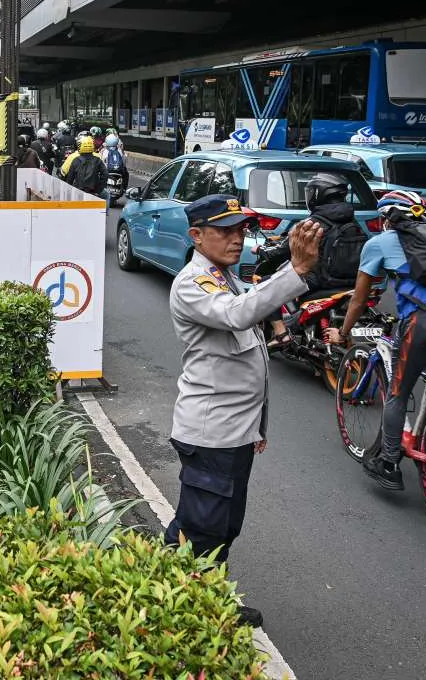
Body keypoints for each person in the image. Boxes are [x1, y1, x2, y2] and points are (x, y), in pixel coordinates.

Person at [166, 194, 324, 628]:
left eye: (240, 229)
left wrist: (256, 426)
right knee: (204, 527)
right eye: (225, 230)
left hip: (233, 432)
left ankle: (202, 598)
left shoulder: (225, 277)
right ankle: (187, 611)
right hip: (211, 433)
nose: (237, 238)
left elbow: (250, 354)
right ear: (196, 236)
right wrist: (296, 270)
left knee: (217, 523)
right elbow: (238, 317)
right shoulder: (193, 283)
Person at [326, 191, 426, 491]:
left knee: (398, 391)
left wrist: (343, 334)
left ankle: (389, 462)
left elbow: (358, 300)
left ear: (385, 218)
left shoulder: (380, 242)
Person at [258, 173, 366, 348]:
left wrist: (263, 251)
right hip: (353, 280)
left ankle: (281, 334)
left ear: (317, 194)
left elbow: (283, 250)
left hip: (319, 280)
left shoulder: (313, 223)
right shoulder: (351, 220)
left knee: (266, 285)